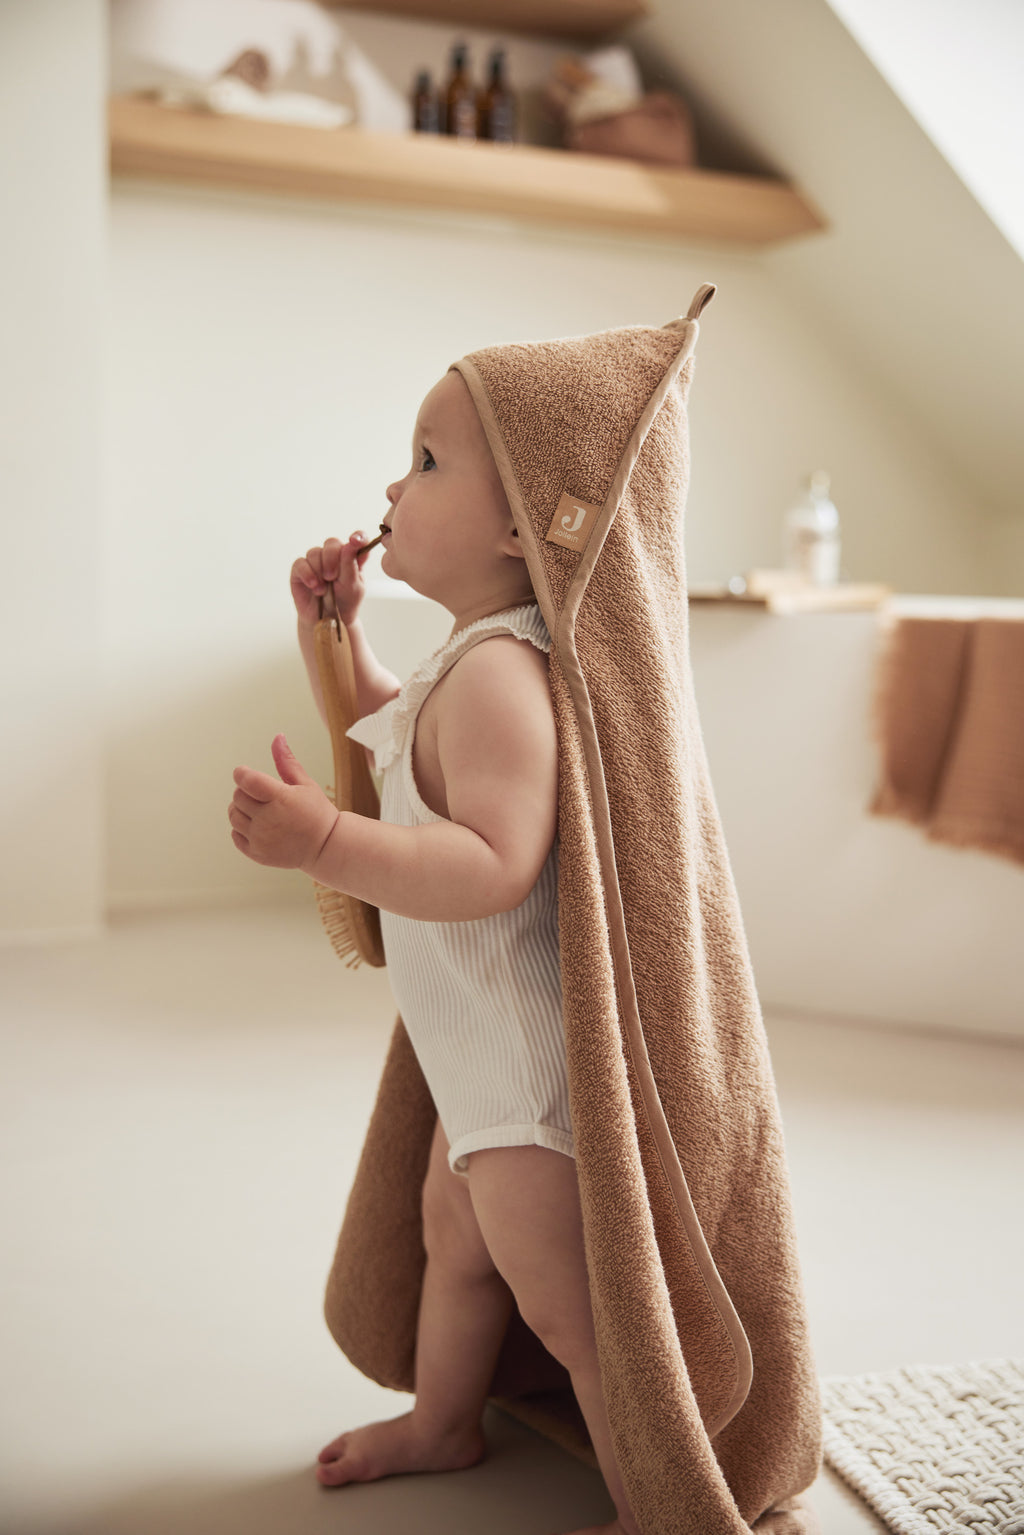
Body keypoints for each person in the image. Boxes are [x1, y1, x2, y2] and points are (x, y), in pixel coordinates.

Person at [228, 366, 639, 1535]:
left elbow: (495, 860)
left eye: (425, 462)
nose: (391, 488)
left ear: (521, 528)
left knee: (567, 1312)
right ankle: (443, 1421)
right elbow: (399, 741)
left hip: (525, 1076)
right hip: (475, 1058)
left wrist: (326, 840)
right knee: (451, 1239)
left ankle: (653, 1502)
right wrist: (335, 630)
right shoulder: (467, 658)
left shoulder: (505, 674)